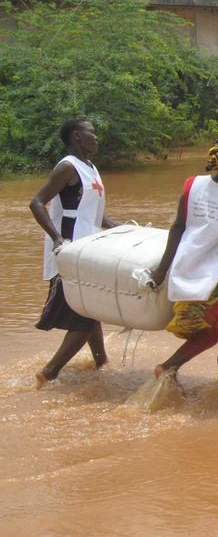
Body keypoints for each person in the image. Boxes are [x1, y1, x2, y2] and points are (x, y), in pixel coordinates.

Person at [149, 135, 218, 389]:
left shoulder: (192, 186)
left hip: (185, 274)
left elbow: (177, 228)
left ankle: (170, 367)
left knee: (211, 331)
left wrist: (161, 271)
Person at [29, 118, 119, 387]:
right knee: (87, 314)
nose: (97, 138)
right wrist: (57, 238)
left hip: (88, 249)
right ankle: (49, 373)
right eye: (92, 133)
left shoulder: (90, 167)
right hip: (70, 251)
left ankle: (100, 364)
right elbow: (36, 203)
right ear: (77, 137)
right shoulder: (68, 167)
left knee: (90, 309)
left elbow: (92, 214)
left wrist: (119, 227)